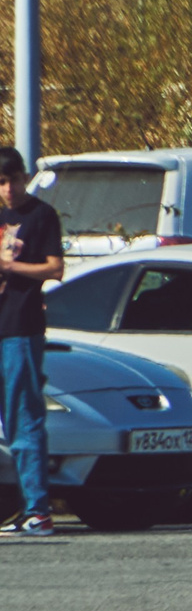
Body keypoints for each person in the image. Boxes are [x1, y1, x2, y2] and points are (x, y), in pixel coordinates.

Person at [0, 146, 66, 540]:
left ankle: (39, 510)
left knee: (24, 417)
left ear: (25, 177)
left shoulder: (41, 216)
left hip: (20, 326)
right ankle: (19, 506)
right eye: (2, 181)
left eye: (14, 179)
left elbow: (55, 268)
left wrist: (10, 266)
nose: (9, 189)